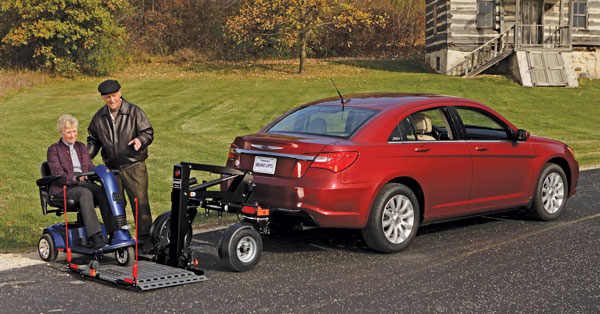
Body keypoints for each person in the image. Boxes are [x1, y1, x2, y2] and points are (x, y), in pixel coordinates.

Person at [87, 79, 154, 250]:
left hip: (134, 165)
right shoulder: (98, 118)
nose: (112, 100)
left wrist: (141, 140)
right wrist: (84, 160)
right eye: (108, 97)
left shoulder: (134, 112)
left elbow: (148, 132)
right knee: (115, 205)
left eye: (114, 96)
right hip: (112, 169)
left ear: (120, 93)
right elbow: (93, 141)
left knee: (139, 203)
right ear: (103, 98)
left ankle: (145, 241)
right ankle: (118, 238)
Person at [47, 115, 114, 249]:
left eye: (74, 131)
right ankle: (94, 236)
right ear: (62, 133)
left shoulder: (81, 146)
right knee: (85, 193)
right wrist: (74, 177)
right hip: (64, 187)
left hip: (83, 182)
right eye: (68, 132)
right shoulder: (54, 150)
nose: (72, 135)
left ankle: (113, 232)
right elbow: (57, 172)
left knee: (102, 191)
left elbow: (89, 166)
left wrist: (100, 172)